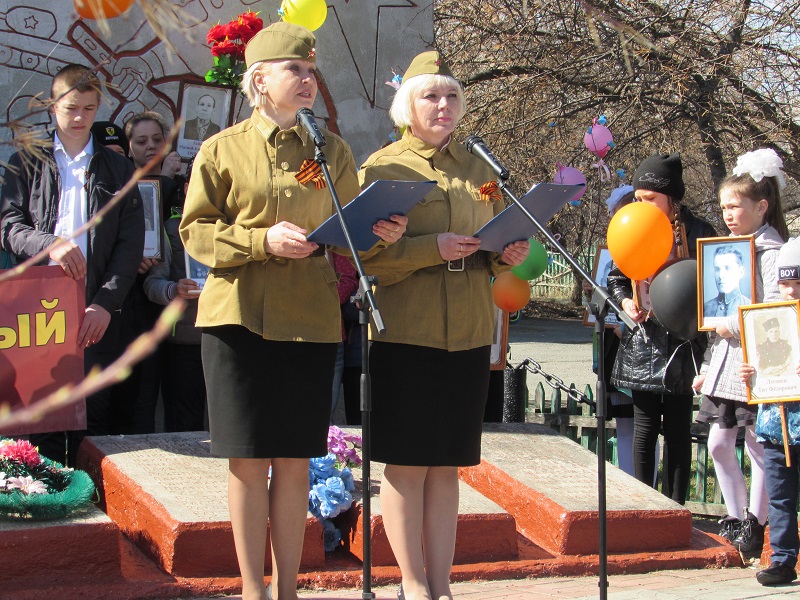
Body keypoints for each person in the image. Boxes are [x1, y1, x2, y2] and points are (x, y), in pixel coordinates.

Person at [179, 22, 406, 600]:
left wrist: (379, 231)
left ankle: (287, 590)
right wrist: (261, 241)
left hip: (308, 320)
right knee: (247, 459)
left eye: (311, 71)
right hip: (236, 321)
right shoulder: (222, 149)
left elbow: (351, 230)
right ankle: (252, 589)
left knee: (295, 460)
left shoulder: (332, 152)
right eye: (295, 70)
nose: (308, 79)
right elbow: (195, 232)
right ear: (260, 80)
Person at [358, 51, 530, 600]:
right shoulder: (383, 168)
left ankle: (442, 584)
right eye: (430, 96)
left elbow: (492, 243)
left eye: (452, 95)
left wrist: (505, 254)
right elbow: (363, 258)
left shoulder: (482, 169)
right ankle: (411, 583)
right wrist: (429, 248)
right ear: (407, 106)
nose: (443, 105)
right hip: (406, 332)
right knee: (408, 464)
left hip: (469, 332)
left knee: (448, 467)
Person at [0, 64, 144, 465]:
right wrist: (50, 245)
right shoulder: (25, 161)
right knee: (38, 420)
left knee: (91, 420)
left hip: (92, 308)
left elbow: (129, 246)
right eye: (71, 108)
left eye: (89, 108)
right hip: (36, 312)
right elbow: (8, 227)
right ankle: (43, 495)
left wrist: (105, 303)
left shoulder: (119, 169)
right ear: (52, 106)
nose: (80, 117)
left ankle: (89, 499)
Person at [692, 148, 788, 556]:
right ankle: (736, 518)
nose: (728, 214)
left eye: (735, 206)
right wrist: (708, 364)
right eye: (723, 208)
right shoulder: (725, 250)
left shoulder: (772, 251)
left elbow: (775, 310)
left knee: (757, 442)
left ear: (761, 206)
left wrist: (730, 324)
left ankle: (755, 523)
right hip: (726, 359)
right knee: (718, 442)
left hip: (757, 361)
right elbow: (715, 312)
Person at [608, 153, 716, 504]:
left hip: (683, 343)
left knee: (678, 430)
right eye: (638, 198)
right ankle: (646, 507)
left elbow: (715, 284)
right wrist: (626, 302)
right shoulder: (634, 226)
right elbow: (616, 278)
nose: (643, 206)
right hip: (644, 342)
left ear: (673, 199)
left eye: (651, 198)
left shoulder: (700, 231)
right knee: (644, 428)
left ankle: (676, 507)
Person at [739, 236, 800, 586]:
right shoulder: (766, 318)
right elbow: (758, 364)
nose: (790, 291)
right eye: (785, 283)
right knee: (779, 497)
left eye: (798, 283)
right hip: (776, 425)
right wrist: (750, 373)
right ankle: (782, 560)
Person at [143, 158, 206, 432]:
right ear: (187, 188)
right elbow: (151, 284)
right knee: (185, 427)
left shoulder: (238, 228)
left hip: (229, 340)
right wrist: (174, 290)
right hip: (185, 343)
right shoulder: (171, 229)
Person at [585, 185, 636, 477]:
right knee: (624, 422)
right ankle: (628, 479)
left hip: (637, 347)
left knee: (642, 423)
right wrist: (590, 294)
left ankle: (644, 484)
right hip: (614, 350)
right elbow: (598, 308)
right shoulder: (611, 254)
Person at [703, 244, 751, 318]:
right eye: (717, 269)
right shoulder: (705, 308)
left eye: (727, 268)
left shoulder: (749, 307)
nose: (720, 275)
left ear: (740, 272)